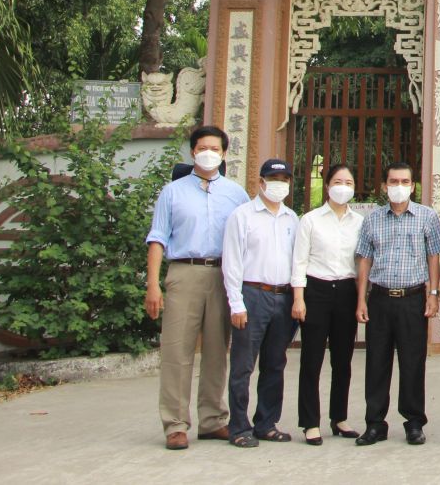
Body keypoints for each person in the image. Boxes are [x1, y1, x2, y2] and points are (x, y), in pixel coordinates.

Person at [144, 125, 249, 450]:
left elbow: (249, 238)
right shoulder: (172, 192)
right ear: (192, 152)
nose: (208, 153)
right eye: (202, 147)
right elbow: (158, 238)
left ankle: (213, 419)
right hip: (183, 273)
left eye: (215, 148)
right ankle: (175, 424)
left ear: (224, 153)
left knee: (218, 349)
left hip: (222, 275)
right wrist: (153, 284)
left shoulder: (235, 194)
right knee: (177, 349)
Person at [354, 161, 440, 446]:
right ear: (384, 186)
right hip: (380, 298)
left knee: (412, 363)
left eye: (405, 181)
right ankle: (375, 423)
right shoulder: (373, 219)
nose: (399, 187)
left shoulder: (427, 217)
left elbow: (433, 256)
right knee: (377, 362)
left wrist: (433, 294)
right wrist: (361, 299)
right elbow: (364, 259)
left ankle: (414, 422)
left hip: (413, 298)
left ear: (413, 186)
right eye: (393, 182)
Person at [222, 158, 300, 448]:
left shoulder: (293, 219)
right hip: (252, 294)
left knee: (275, 363)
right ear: (261, 182)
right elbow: (232, 263)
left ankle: (266, 422)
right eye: (274, 179)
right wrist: (236, 303)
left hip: (283, 297)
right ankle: (239, 426)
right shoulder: (242, 216)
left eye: (284, 180)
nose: (279, 185)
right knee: (243, 364)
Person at [291, 162, 364, 445]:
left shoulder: (359, 222)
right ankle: (310, 422)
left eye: (348, 182)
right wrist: (298, 298)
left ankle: (339, 417)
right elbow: (299, 260)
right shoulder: (310, 220)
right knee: (312, 359)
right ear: (327, 183)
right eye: (337, 181)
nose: (342, 187)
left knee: (343, 360)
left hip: (346, 290)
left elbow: (361, 263)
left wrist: (360, 298)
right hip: (316, 291)